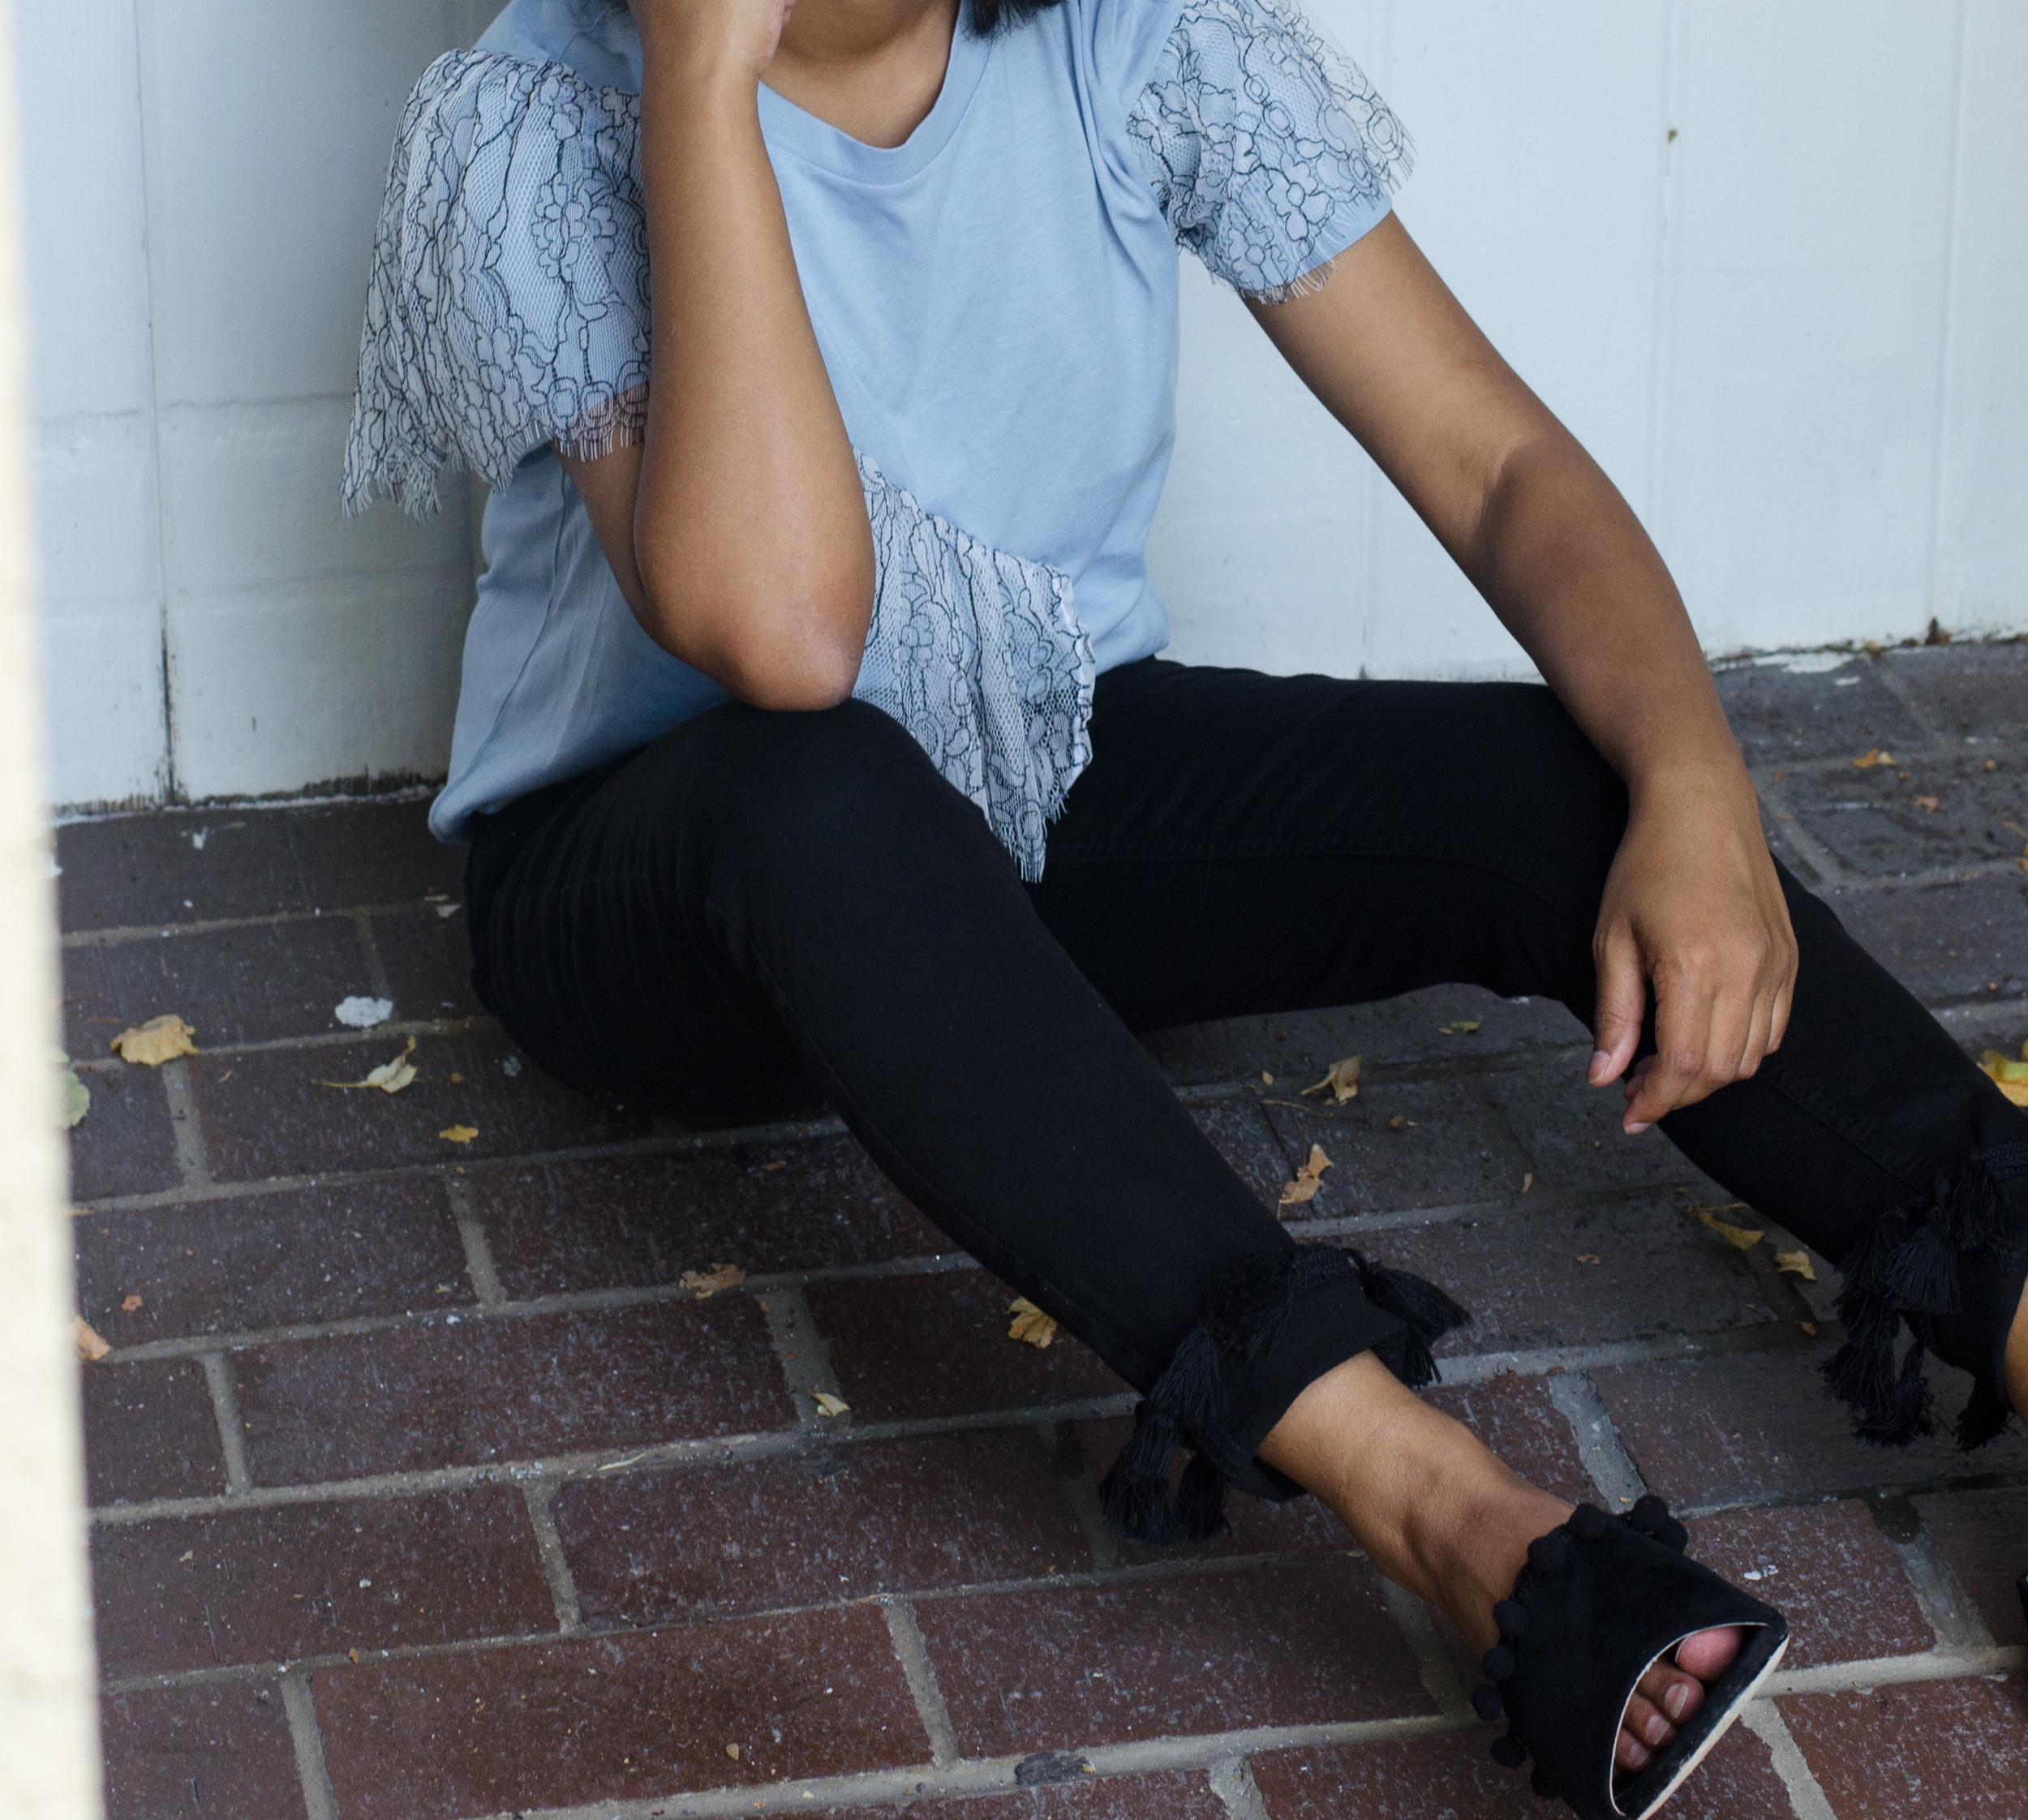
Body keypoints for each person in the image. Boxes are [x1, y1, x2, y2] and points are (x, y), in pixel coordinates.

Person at [345, 0, 2028, 1810]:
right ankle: (1454, 1519)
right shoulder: (535, 117)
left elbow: (1495, 462)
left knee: (1555, 783)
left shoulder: (1134, 48)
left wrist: (1695, 788)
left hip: (1025, 780)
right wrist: (698, 75)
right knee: (816, 777)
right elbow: (783, 639)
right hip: (661, 875)